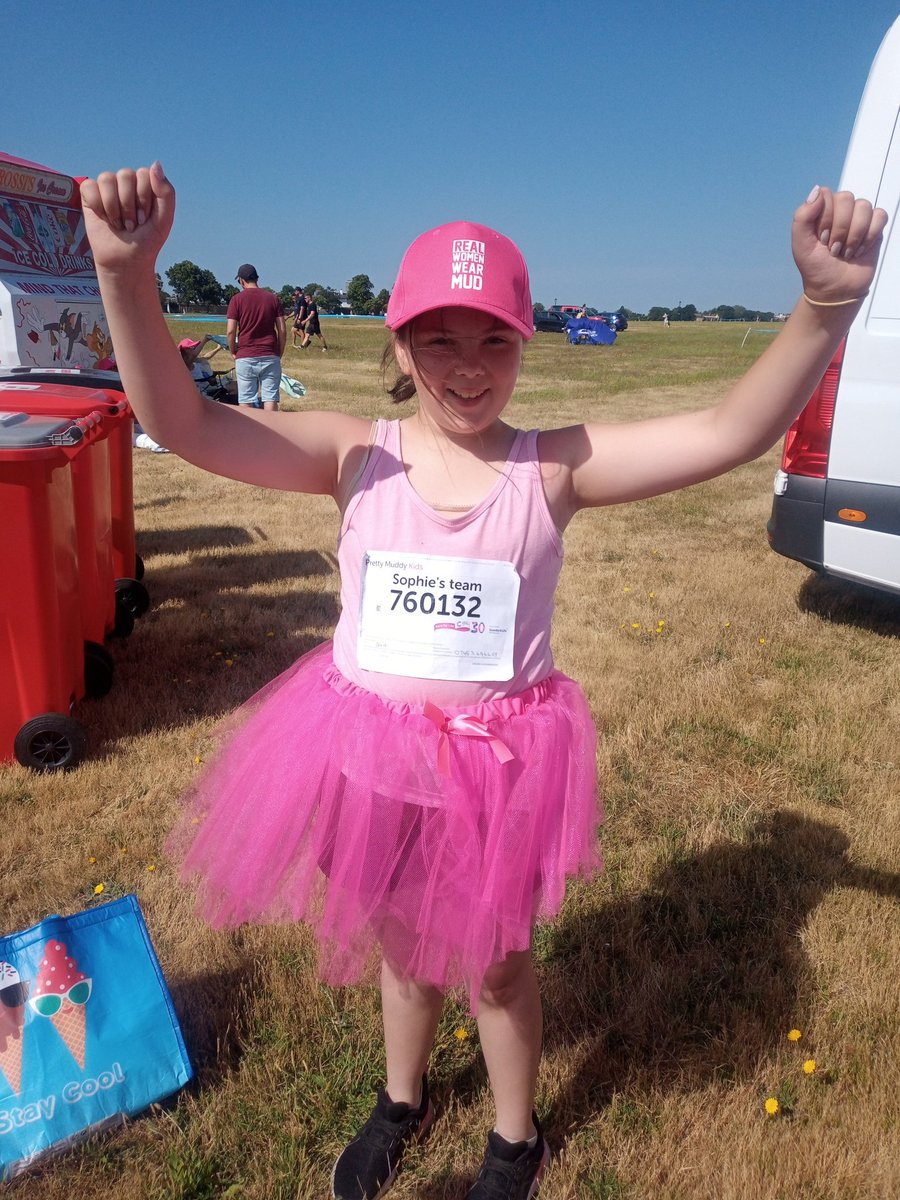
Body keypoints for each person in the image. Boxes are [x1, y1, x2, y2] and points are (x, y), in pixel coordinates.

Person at [80, 162, 885, 1200]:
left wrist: (823, 306)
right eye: (440, 340)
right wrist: (124, 276)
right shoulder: (355, 456)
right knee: (403, 948)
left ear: (524, 342)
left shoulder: (553, 468)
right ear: (399, 346)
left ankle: (514, 1138)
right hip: (368, 759)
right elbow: (186, 423)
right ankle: (402, 1098)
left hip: (496, 771)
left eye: (494, 340)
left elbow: (729, 432)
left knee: (499, 965)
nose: (468, 367)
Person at [227, 263, 285, 410]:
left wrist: (233, 350)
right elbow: (282, 330)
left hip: (245, 354)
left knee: (246, 399)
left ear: (241, 280)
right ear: (256, 278)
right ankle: (270, 424)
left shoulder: (236, 300)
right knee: (270, 398)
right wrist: (279, 351)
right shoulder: (273, 298)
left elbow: (230, 331)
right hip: (269, 353)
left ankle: (247, 426)